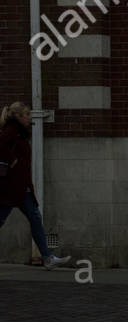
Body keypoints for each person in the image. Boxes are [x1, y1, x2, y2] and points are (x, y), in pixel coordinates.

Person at [0, 102, 70, 269]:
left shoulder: (20, 132)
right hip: (10, 187)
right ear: (18, 116)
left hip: (21, 187)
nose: (30, 117)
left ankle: (47, 257)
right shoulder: (12, 130)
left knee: (35, 218)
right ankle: (47, 257)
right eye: (27, 114)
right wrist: (13, 160)